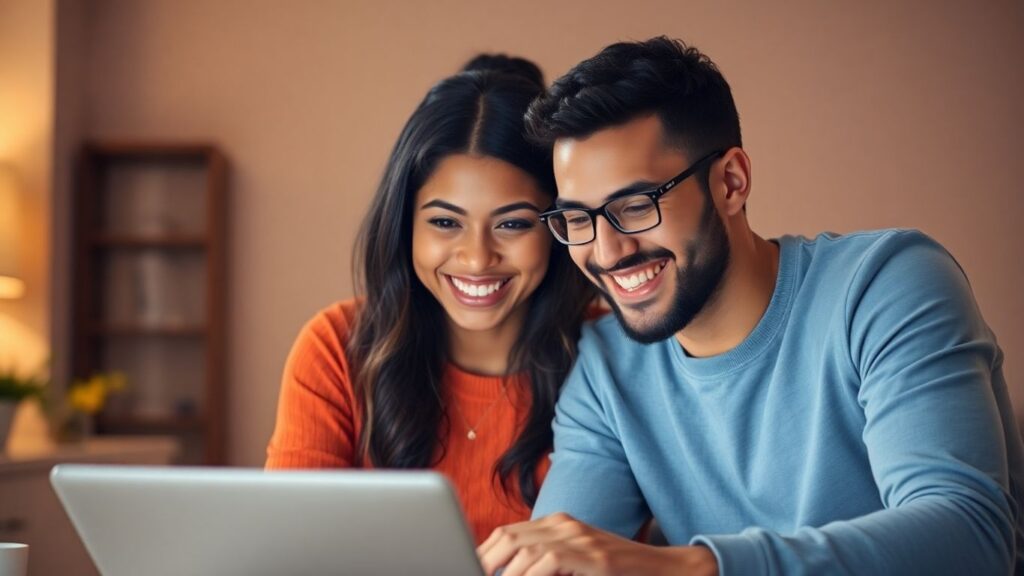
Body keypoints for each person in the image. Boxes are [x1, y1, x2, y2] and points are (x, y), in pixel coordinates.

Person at [478, 37, 1024, 575]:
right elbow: (559, 561)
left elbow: (969, 536)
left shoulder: (885, 283)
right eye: (578, 220)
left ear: (731, 183)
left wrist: (695, 566)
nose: (607, 251)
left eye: (635, 205)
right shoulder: (607, 369)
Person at [265, 54, 595, 543]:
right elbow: (287, 548)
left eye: (513, 223)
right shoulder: (337, 347)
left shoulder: (611, 355)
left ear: (556, 228)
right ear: (405, 225)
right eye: (445, 222)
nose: (478, 258)